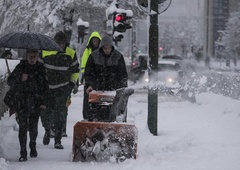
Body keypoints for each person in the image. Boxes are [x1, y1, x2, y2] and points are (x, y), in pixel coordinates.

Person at [5, 49, 48, 162]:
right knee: (23, 128)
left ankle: (32, 145)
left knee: (33, 127)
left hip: (36, 101)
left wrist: (43, 102)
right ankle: (23, 152)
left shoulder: (41, 68)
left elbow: (44, 87)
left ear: (38, 57)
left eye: (34, 56)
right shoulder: (21, 66)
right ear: (27, 56)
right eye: (30, 56)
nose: (32, 59)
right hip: (22, 101)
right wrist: (20, 78)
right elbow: (10, 81)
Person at [39, 31, 79, 149]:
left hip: (63, 88)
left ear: (65, 43)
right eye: (58, 43)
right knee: (45, 113)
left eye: (62, 43)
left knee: (60, 115)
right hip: (47, 88)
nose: (60, 45)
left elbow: (75, 71)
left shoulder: (71, 53)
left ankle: (58, 139)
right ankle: (47, 130)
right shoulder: (45, 51)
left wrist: (71, 85)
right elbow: (39, 67)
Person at [84, 36, 128, 120]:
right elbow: (88, 73)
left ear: (112, 47)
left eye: (109, 48)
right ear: (101, 48)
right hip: (97, 89)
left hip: (113, 90)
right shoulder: (94, 56)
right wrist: (89, 84)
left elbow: (123, 74)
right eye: (105, 48)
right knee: (94, 111)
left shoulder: (118, 57)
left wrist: (121, 88)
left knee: (114, 111)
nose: (107, 50)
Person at [80, 31, 101, 120]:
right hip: (89, 77)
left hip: (98, 77)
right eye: (94, 40)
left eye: (97, 40)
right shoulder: (87, 51)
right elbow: (84, 64)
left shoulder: (100, 51)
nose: (95, 42)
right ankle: (87, 114)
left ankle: (96, 114)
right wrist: (85, 76)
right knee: (88, 97)